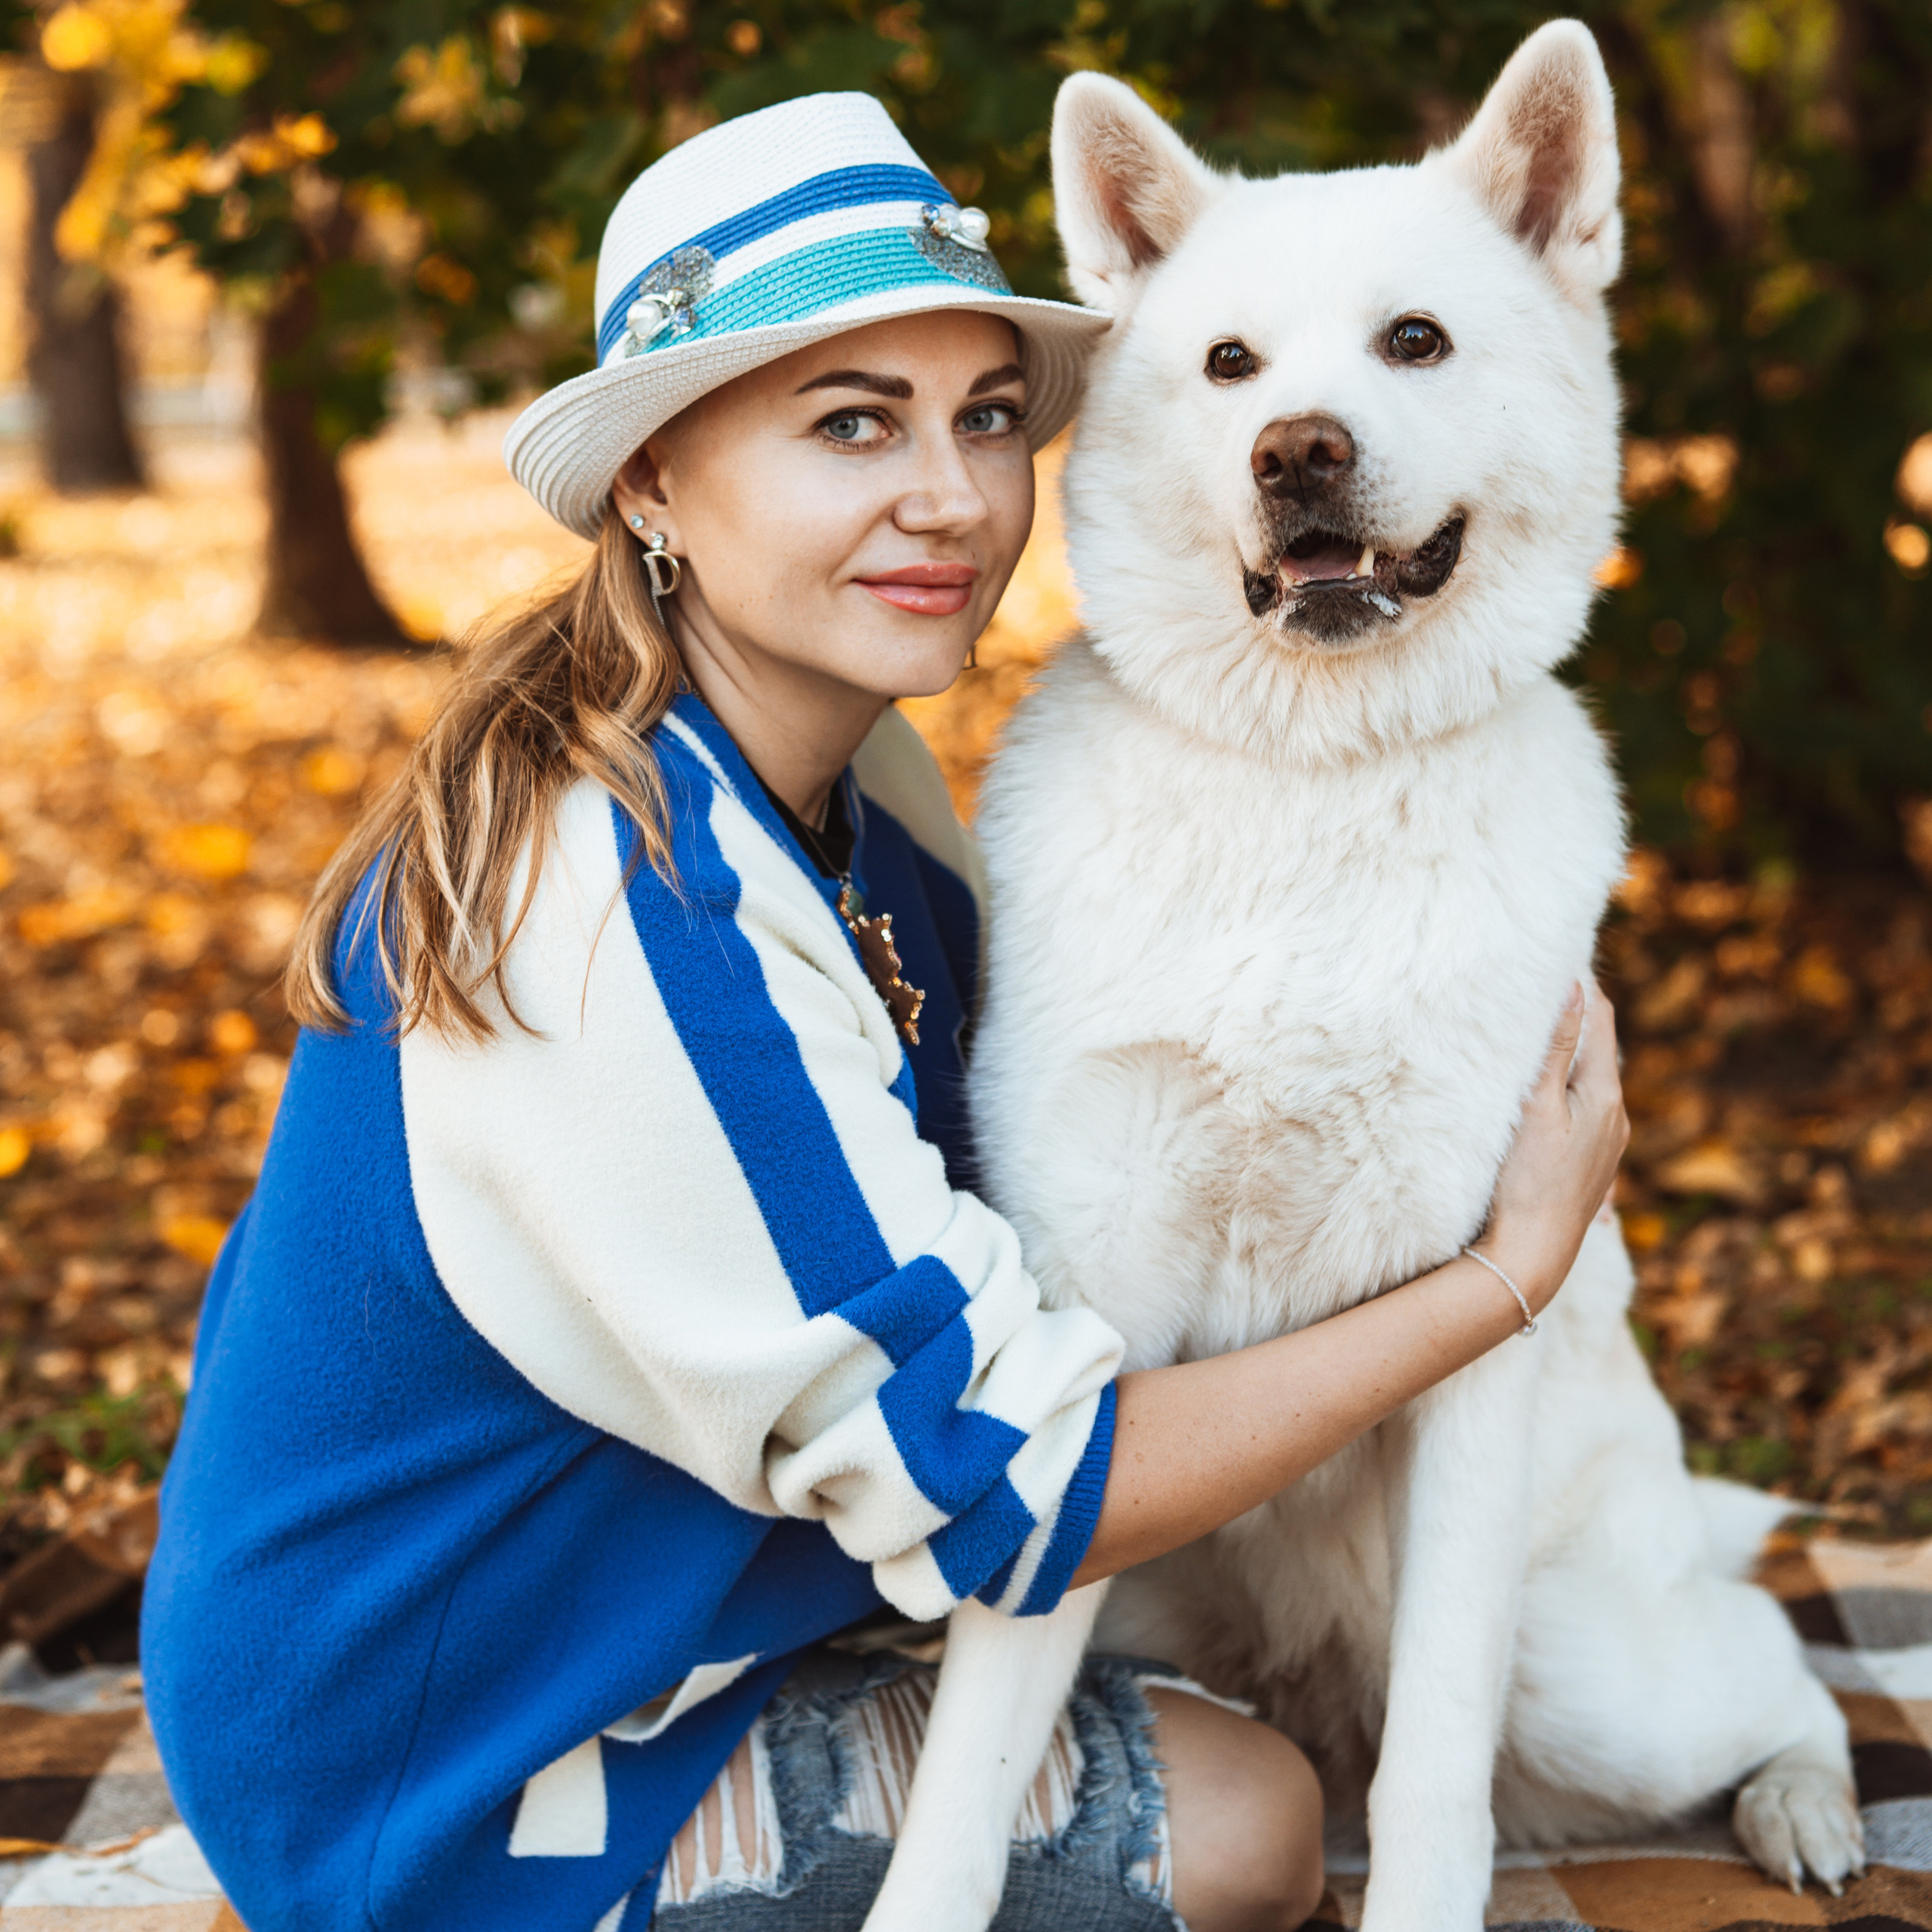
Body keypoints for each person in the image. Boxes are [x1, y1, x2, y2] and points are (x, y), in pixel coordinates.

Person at [142, 93, 1629, 1932]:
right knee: (1247, 1820)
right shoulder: (614, 910)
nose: (949, 495)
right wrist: (1502, 1275)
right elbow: (1024, 1487)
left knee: (1225, 1730)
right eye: (851, 423)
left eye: (985, 417)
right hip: (457, 1746)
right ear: (655, 481)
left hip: (691, 1594)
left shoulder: (869, 799)